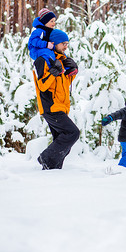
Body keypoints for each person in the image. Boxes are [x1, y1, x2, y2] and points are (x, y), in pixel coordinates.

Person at [33, 29, 79, 170]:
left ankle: (52, 170)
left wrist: (72, 73)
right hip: (51, 107)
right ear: (54, 43)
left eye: (67, 43)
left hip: (61, 106)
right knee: (72, 133)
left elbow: (62, 85)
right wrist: (54, 72)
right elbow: (42, 85)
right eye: (63, 43)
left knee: (62, 142)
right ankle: (45, 159)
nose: (66, 46)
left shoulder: (60, 60)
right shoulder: (42, 60)